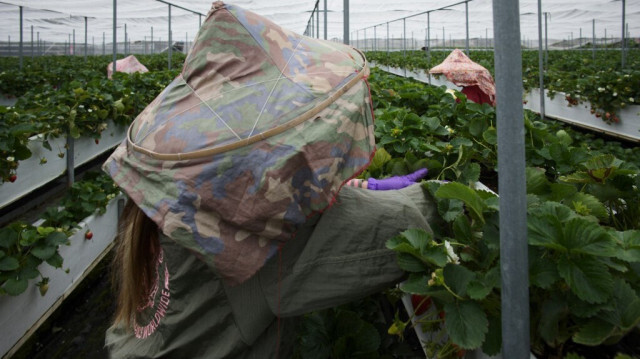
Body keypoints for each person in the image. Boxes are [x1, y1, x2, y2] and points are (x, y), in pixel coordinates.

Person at [103, 2, 439, 358]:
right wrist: (451, 199)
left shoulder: (159, 192)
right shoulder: (253, 237)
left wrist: (354, 187)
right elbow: (402, 226)